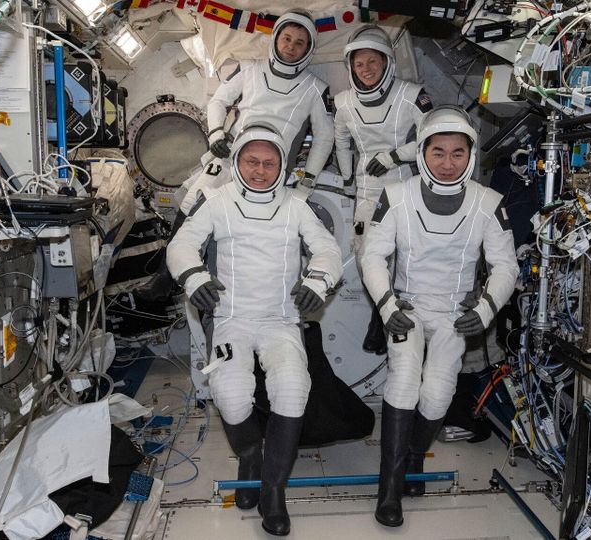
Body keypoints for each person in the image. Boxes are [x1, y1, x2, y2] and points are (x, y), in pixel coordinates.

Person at [166, 124, 343, 537]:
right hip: (231, 318)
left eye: (269, 163)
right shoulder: (216, 201)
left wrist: (318, 281)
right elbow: (181, 245)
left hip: (280, 319)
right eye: (251, 162)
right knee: (230, 395)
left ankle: (273, 491)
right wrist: (194, 277)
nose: (260, 171)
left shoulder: (296, 206)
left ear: (281, 167)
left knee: (293, 388)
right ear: (238, 161)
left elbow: (327, 249)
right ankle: (251, 455)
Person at [359, 106, 519, 527]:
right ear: (422, 154)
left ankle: (413, 457)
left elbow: (506, 266)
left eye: (457, 153)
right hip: (406, 308)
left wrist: (485, 308)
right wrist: (387, 304)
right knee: (404, 383)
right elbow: (372, 256)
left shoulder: (488, 203)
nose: (448, 163)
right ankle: (389, 487)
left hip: (455, 314)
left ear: (470, 155)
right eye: (438, 152)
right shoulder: (396, 195)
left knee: (436, 395)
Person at [333, 24, 433, 355]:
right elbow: (341, 139)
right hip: (367, 191)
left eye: (372, 62)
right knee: (366, 254)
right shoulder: (344, 102)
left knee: (404, 254)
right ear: (351, 67)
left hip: (403, 186)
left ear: (387, 61)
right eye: (359, 64)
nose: (366, 70)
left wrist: (394, 156)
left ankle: (397, 321)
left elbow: (432, 138)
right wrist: (347, 177)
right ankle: (382, 312)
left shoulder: (411, 95)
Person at [200, 8, 334, 197]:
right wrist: (216, 136)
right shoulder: (248, 68)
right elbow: (218, 101)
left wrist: (308, 181)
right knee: (193, 203)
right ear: (276, 38)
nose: (291, 47)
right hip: (229, 157)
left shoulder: (316, 88)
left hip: (271, 170)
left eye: (299, 43)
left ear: (308, 48)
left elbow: (324, 137)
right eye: (287, 38)